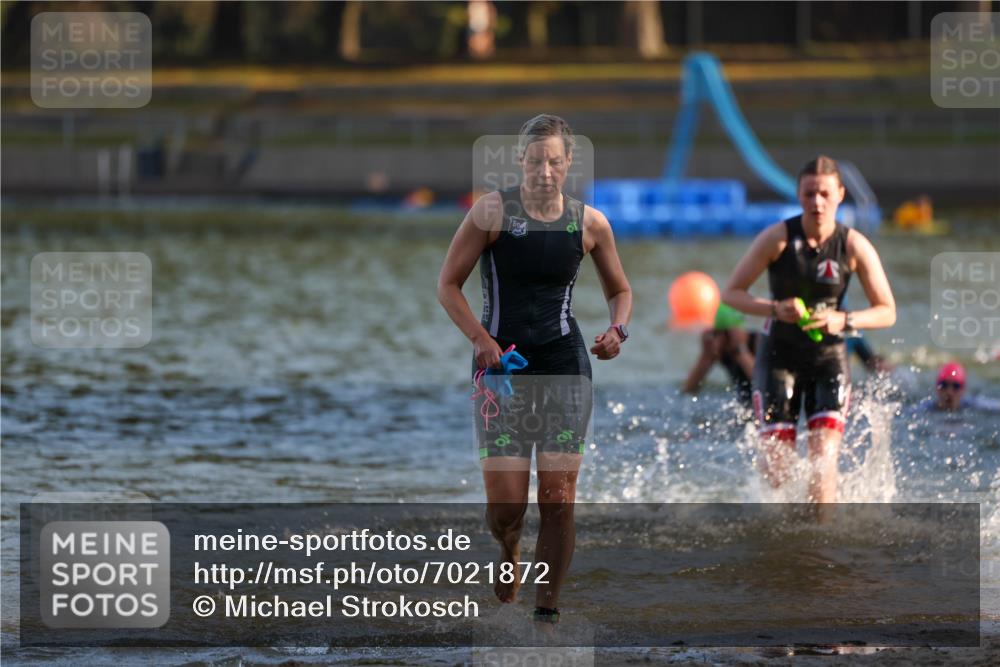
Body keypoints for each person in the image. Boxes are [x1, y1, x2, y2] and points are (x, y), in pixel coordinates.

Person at [437, 114, 632, 624]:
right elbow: (448, 285)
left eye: (555, 162)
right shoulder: (491, 212)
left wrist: (617, 330)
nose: (545, 171)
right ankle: (509, 547)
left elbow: (620, 290)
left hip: (565, 365)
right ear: (520, 160)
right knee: (507, 509)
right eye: (536, 161)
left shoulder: (590, 224)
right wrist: (481, 340)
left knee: (558, 499)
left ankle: (547, 614)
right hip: (499, 369)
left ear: (569, 164)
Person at [721, 155, 896, 504]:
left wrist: (843, 320)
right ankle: (781, 533)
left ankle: (822, 534)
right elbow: (731, 294)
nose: (817, 202)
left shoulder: (853, 245)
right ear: (799, 195)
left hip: (828, 358)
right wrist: (774, 308)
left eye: (825, 194)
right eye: (809, 194)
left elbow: (887, 311)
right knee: (778, 471)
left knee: (823, 462)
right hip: (778, 356)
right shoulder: (777, 239)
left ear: (840, 194)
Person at [682, 303, 757, 406]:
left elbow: (765, 384)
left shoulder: (758, 342)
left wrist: (741, 350)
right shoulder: (721, 350)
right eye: (712, 334)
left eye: (717, 333)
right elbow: (688, 391)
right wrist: (706, 357)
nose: (715, 341)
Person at [919, 362, 1000, 412]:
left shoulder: (973, 404)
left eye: (956, 386)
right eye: (944, 385)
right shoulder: (926, 408)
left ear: (963, 390)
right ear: (937, 388)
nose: (949, 392)